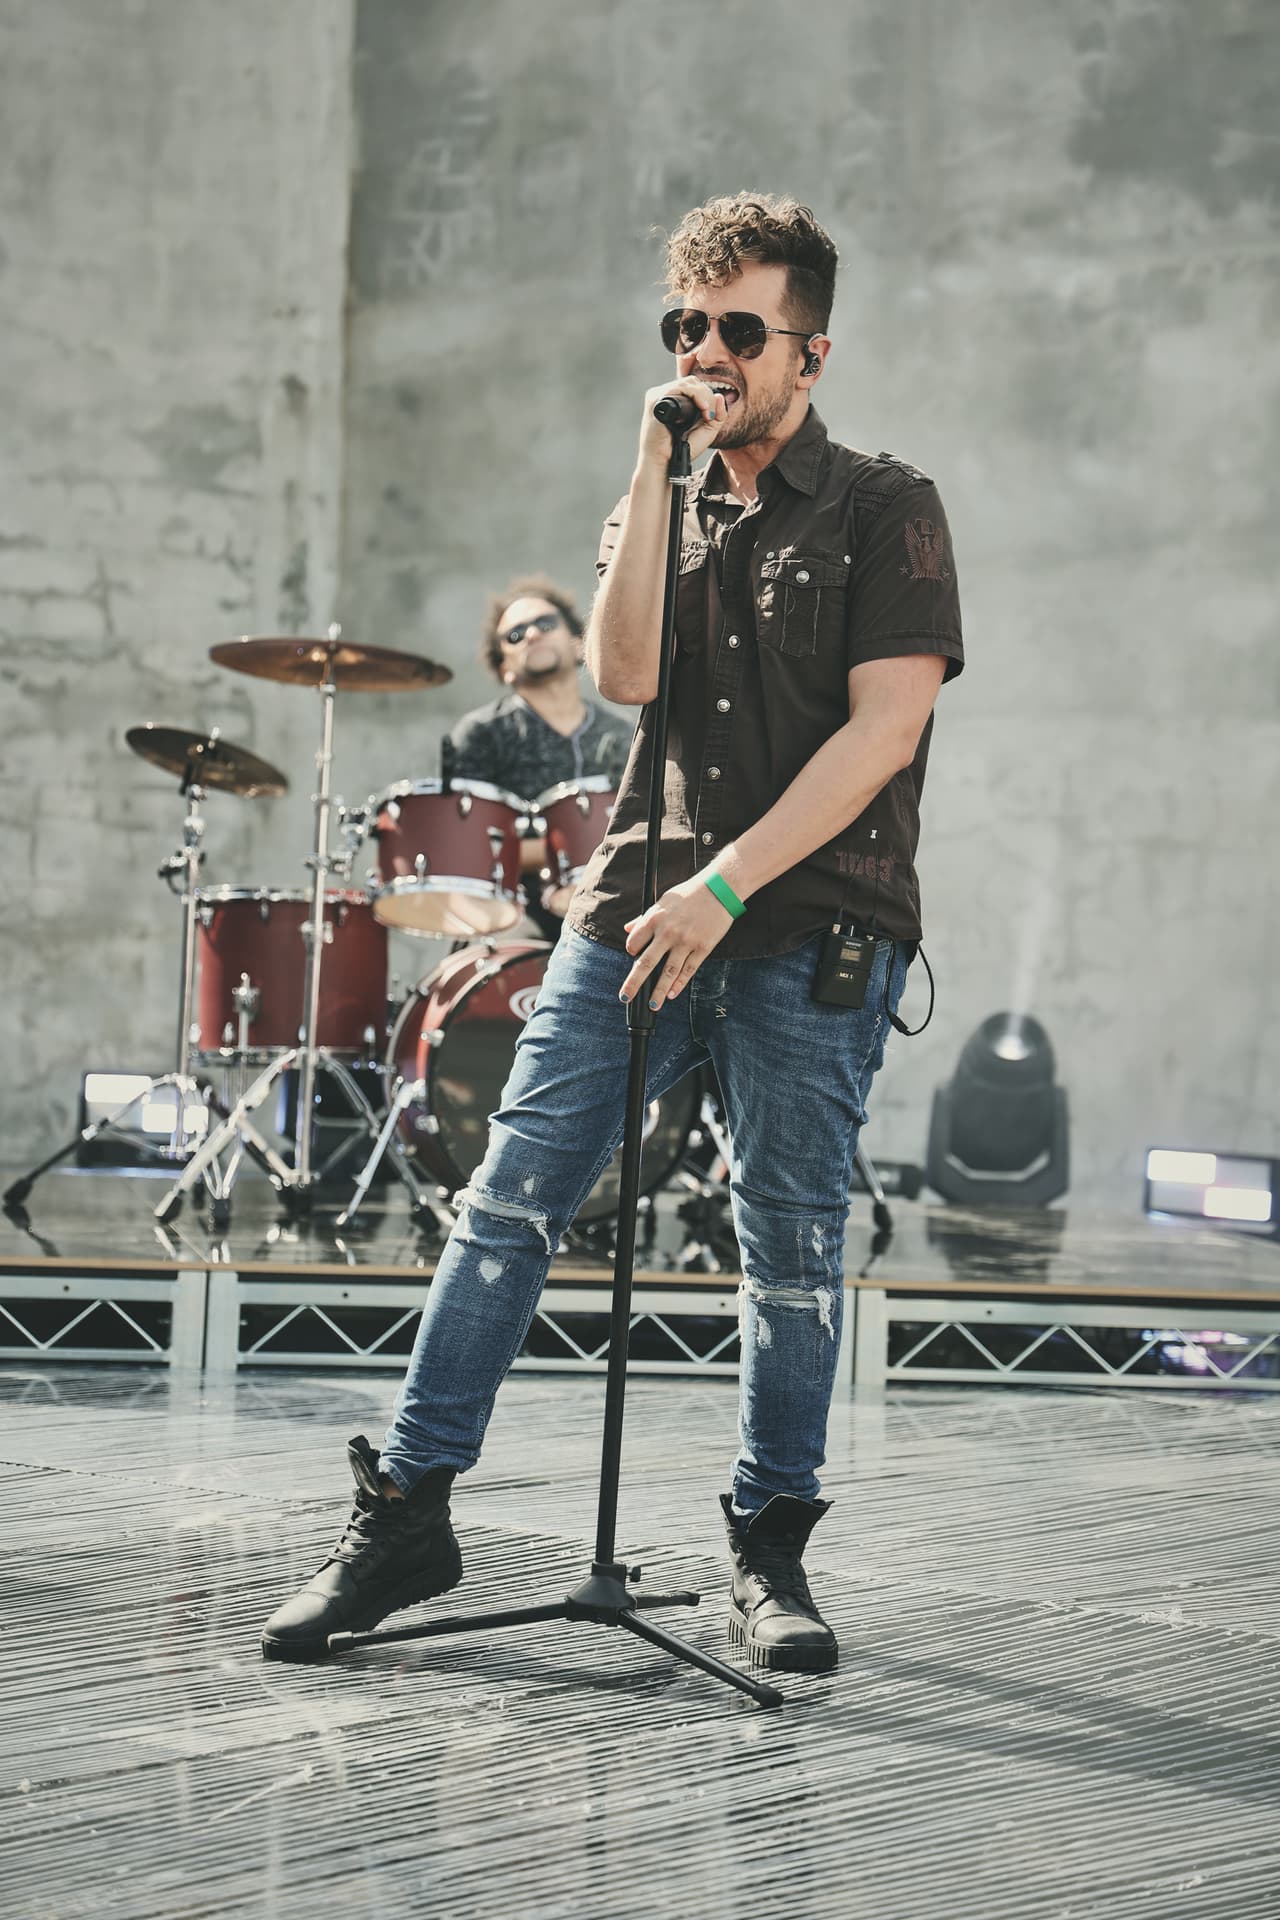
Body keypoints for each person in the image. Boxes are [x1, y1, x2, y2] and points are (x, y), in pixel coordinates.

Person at [262, 193, 963, 1676]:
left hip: (807, 923)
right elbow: (629, 672)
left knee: (787, 1244)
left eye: (739, 330)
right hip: (635, 908)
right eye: (686, 326)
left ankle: (768, 1549)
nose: (707, 352)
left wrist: (731, 889)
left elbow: (884, 733)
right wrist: (653, 462)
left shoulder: (885, 505)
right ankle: (407, 1517)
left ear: (810, 353)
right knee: (505, 1203)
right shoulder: (660, 495)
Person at [443, 577, 632, 937]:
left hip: (614, 907)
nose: (531, 635)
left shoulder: (624, 734)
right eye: (514, 635)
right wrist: (568, 852)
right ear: (504, 668)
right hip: (511, 915)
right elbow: (464, 846)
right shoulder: (480, 733)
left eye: (545, 624)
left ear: (578, 645)